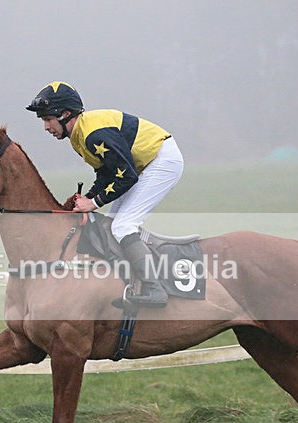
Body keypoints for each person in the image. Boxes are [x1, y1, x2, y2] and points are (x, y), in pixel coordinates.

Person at [26, 81, 184, 307]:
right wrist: (86, 199)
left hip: (161, 161)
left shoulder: (93, 135)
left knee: (123, 227)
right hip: (142, 165)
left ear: (66, 114)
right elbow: (107, 174)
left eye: (48, 119)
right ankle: (127, 281)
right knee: (111, 227)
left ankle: (155, 289)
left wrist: (94, 202)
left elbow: (127, 175)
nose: (46, 127)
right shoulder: (78, 136)